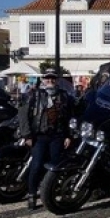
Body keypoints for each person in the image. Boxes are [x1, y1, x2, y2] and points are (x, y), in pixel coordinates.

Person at [19, 69, 74, 210]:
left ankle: (49, 191)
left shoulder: (63, 96)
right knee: (36, 165)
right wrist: (27, 135)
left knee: (54, 166)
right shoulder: (34, 95)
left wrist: (68, 135)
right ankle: (32, 195)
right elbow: (23, 116)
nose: (50, 81)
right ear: (43, 79)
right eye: (47, 78)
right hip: (39, 136)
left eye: (53, 78)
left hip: (57, 136)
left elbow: (68, 117)